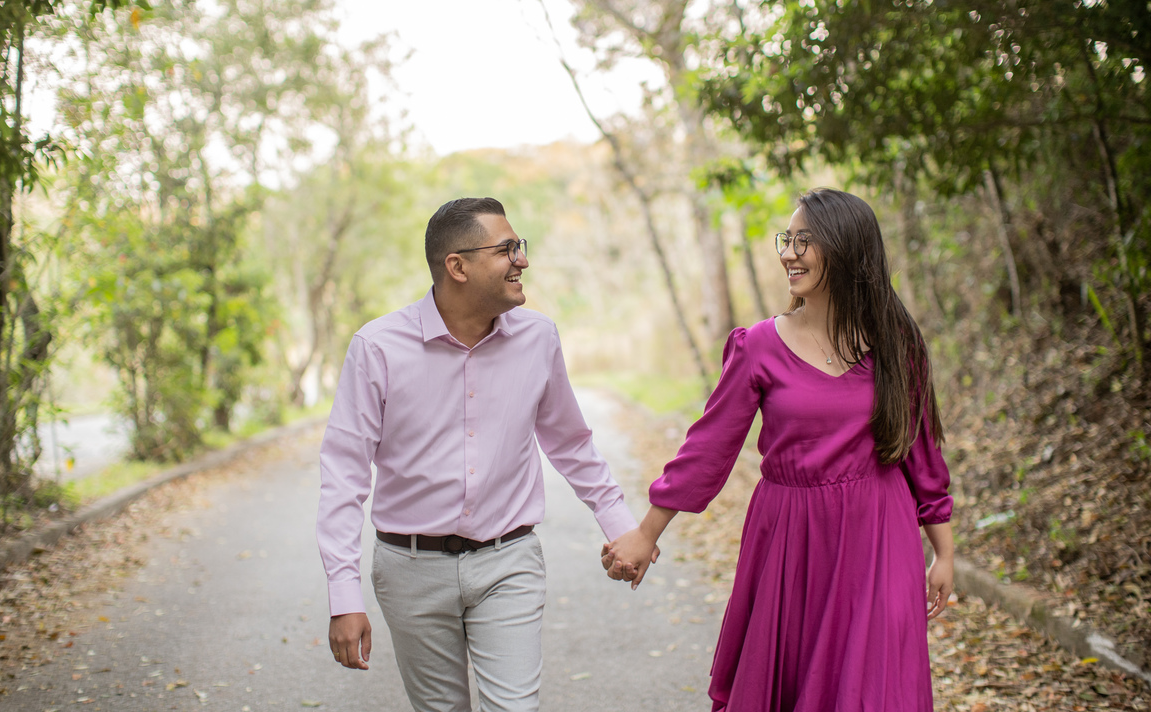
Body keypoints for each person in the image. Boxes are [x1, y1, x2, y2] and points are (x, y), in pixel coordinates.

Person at [602, 188, 954, 712]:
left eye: (803, 241)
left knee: (872, 688)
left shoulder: (896, 344)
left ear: (846, 249)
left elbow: (921, 453)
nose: (788, 252)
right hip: (792, 537)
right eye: (786, 240)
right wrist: (645, 533)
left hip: (880, 535)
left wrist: (944, 552)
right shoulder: (759, 346)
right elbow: (708, 447)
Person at [316, 197, 638, 712]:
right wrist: (343, 595)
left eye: (520, 247)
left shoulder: (538, 338)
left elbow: (570, 442)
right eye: (507, 249)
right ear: (457, 266)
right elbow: (343, 475)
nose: (522, 260)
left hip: (508, 560)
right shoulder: (377, 348)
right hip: (409, 569)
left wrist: (621, 525)